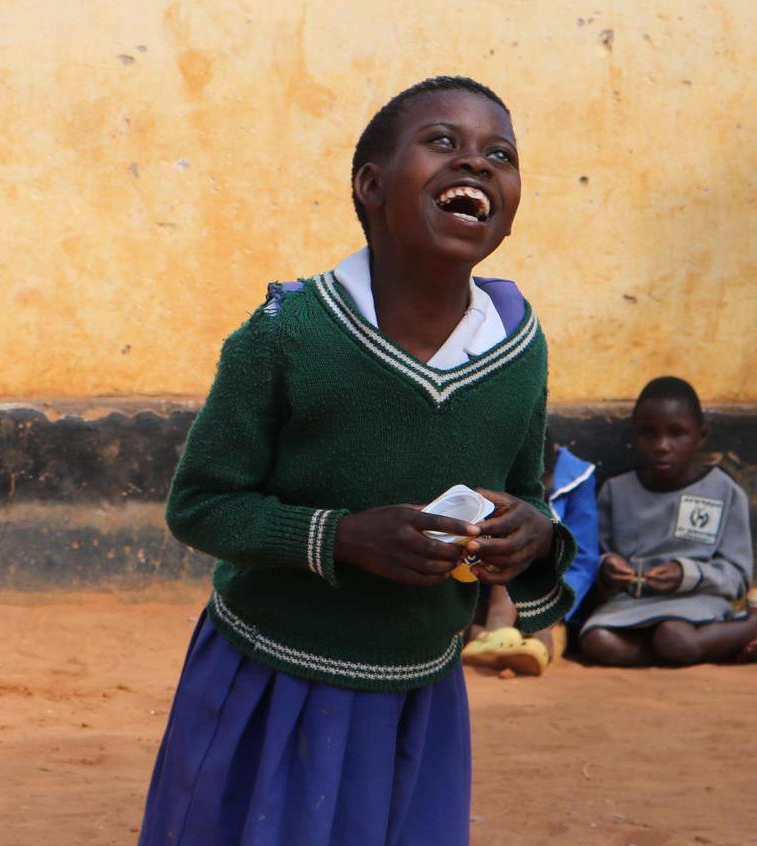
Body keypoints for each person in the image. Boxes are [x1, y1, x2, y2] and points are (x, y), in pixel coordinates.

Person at [138, 76, 575, 845]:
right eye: (442, 142)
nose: (474, 164)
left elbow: (524, 493)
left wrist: (529, 535)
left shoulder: (518, 349)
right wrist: (341, 537)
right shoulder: (285, 335)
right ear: (369, 185)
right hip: (270, 680)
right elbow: (201, 504)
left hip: (417, 692)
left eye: (497, 154)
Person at [577, 377, 757, 666]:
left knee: (674, 637)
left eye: (676, 434)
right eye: (648, 434)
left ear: (700, 436)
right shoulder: (616, 492)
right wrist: (608, 568)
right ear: (635, 435)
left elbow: (737, 576)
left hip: (695, 601)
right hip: (630, 605)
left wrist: (686, 574)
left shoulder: (724, 492)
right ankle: (719, 648)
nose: (662, 446)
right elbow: (594, 558)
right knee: (596, 643)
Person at [462, 439, 600, 675]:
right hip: (487, 597)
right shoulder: (483, 476)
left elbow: (583, 560)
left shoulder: (578, 480)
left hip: (549, 596)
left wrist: (551, 600)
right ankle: (494, 636)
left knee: (544, 634)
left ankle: (521, 644)